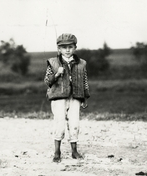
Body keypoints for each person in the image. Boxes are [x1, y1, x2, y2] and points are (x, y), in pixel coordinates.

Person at [44, 33, 90, 162]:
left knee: (74, 123)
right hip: (59, 97)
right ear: (59, 49)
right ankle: (57, 152)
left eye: (70, 46)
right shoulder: (53, 63)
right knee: (59, 124)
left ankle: (74, 151)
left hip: (75, 97)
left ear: (75, 47)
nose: (67, 50)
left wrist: (85, 96)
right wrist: (57, 74)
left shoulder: (81, 63)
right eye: (64, 47)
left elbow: (85, 80)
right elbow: (47, 81)